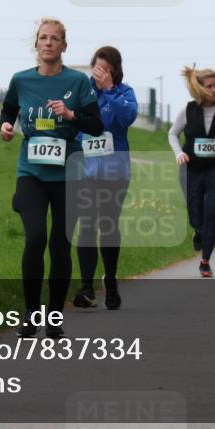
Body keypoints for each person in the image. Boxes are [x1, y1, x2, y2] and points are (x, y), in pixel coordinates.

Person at [0, 18, 104, 339]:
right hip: (31, 170)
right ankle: (31, 313)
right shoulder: (21, 80)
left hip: (69, 173)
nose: (48, 43)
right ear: (36, 44)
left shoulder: (78, 81)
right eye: (43, 38)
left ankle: (54, 315)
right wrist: (4, 126)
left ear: (63, 45)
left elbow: (96, 126)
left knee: (61, 245)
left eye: (54, 39)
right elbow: (8, 110)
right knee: (35, 238)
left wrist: (72, 115)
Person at [72, 46, 138, 310]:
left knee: (108, 225)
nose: (100, 74)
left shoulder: (124, 93)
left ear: (115, 71)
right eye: (97, 69)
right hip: (85, 171)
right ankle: (87, 288)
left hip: (115, 172)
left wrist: (110, 90)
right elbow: (71, 124)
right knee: (87, 224)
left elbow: (127, 118)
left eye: (106, 70)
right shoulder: (82, 93)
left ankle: (110, 281)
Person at [168, 66, 215, 277]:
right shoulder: (188, 110)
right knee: (195, 213)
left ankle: (205, 260)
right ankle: (198, 231)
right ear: (199, 88)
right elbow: (173, 134)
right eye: (209, 86)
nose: (214, 89)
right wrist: (178, 154)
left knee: (211, 213)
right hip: (191, 168)